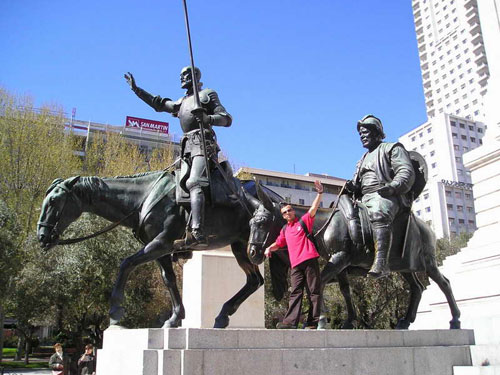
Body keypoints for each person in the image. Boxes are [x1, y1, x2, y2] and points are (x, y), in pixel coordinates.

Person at [124, 66, 232, 247]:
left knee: (195, 182)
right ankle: (180, 229)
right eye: (180, 75)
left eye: (185, 75)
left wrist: (207, 118)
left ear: (195, 76)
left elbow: (226, 119)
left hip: (202, 145)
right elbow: (159, 104)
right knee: (173, 188)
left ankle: (198, 231)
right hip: (186, 148)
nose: (181, 78)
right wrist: (137, 90)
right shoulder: (182, 102)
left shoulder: (207, 94)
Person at [346, 114, 415, 279]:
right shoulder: (361, 159)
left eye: (365, 132)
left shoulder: (392, 148)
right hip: (363, 198)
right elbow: (359, 182)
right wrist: (353, 187)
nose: (362, 136)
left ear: (376, 132)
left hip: (385, 195)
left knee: (378, 212)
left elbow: (406, 171)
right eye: (360, 134)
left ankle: (381, 263)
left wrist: (393, 187)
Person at [264, 180, 324, 329]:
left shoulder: (303, 222)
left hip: (310, 260)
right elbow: (278, 243)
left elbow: (313, 209)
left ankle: (312, 323)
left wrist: (320, 193)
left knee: (314, 292)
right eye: (284, 212)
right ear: (283, 216)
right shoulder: (285, 229)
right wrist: (269, 249)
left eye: (289, 210)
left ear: (293, 211)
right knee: (295, 292)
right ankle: (290, 323)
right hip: (296, 265)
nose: (287, 213)